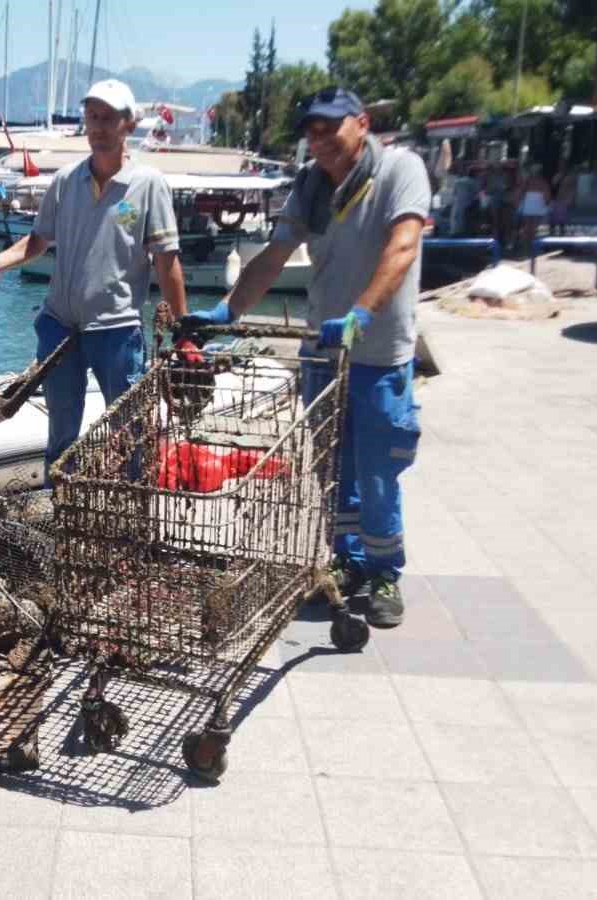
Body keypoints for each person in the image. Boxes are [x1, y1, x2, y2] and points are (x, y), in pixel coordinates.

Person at [179, 86, 429, 628]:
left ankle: (384, 572)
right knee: (333, 469)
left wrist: (361, 315)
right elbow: (274, 255)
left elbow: (403, 247)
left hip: (380, 355)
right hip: (321, 354)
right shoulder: (311, 187)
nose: (319, 140)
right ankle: (346, 561)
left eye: (330, 127)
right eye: (311, 130)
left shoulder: (400, 170)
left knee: (379, 470)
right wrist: (228, 311)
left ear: (361, 123)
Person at [0, 79, 187, 480]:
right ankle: (58, 507)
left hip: (117, 331)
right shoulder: (66, 181)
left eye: (109, 118)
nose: (99, 127)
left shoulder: (148, 185)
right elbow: (37, 242)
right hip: (59, 327)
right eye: (92, 117)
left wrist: (184, 330)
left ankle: (133, 509)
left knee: (131, 434)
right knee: (61, 434)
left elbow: (166, 260)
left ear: (128, 125)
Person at [514, 163, 553, 254]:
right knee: (537, 229)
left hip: (528, 206)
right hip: (538, 206)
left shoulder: (527, 181)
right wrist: (547, 204)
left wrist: (517, 204)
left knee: (527, 228)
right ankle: (536, 248)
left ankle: (526, 248)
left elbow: (520, 193)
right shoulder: (543, 182)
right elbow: (547, 197)